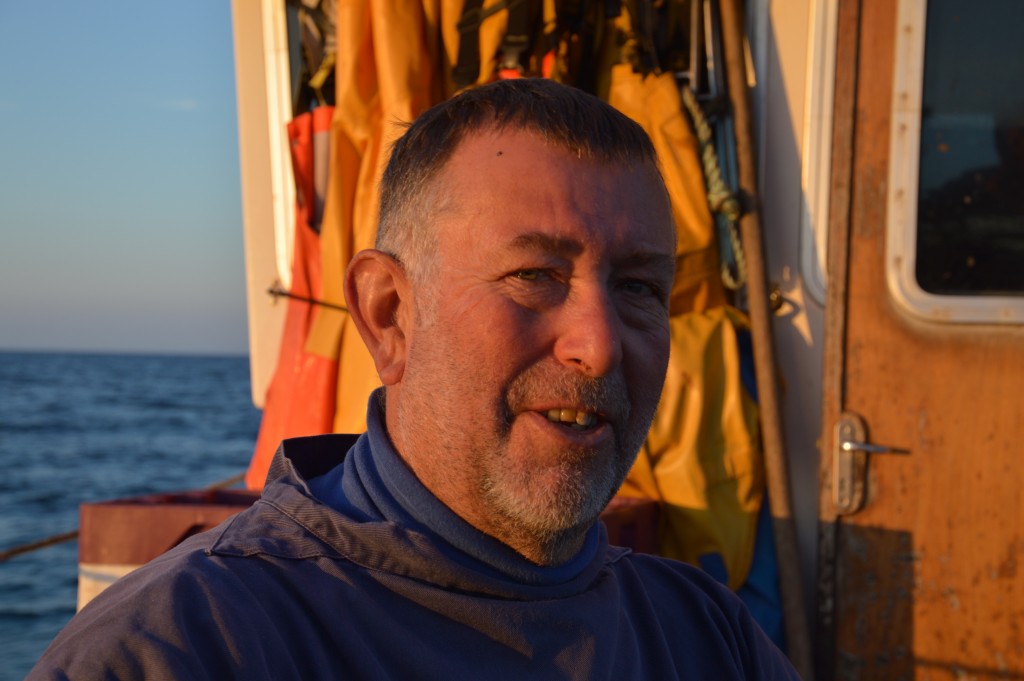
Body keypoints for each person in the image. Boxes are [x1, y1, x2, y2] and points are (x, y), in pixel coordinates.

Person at [30, 79, 800, 680]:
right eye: (534, 273)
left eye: (638, 287)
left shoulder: (704, 636)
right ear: (389, 314)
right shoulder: (181, 650)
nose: (598, 346)